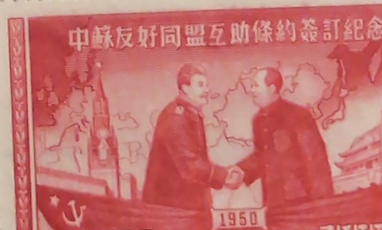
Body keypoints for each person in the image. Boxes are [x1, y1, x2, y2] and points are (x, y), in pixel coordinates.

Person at [141, 63, 243, 217]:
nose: (206, 90)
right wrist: (223, 176)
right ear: (185, 88)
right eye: (200, 85)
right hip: (170, 211)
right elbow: (189, 165)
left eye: (207, 85)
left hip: (183, 208)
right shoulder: (176, 117)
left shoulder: (189, 114)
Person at [239, 66, 335, 215]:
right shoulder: (258, 120)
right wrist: (241, 172)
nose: (251, 90)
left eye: (256, 85)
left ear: (271, 89)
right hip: (272, 203)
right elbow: (261, 156)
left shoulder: (298, 115)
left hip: (301, 202)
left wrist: (323, 205)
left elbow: (315, 160)